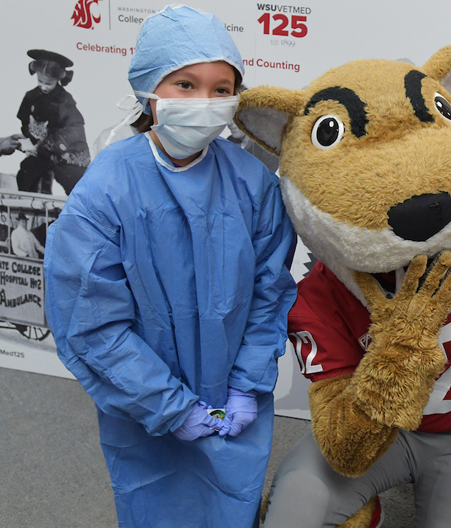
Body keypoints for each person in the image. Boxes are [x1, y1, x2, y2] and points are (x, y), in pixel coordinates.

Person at [43, 5, 297, 528]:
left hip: (234, 400)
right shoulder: (106, 189)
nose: (205, 102)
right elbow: (90, 323)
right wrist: (169, 407)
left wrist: (246, 385)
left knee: (233, 506)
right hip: (146, 415)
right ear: (148, 90)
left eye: (221, 88)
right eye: (185, 84)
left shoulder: (254, 183)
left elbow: (269, 292)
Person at [16, 49, 90, 195]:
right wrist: (29, 139)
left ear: (58, 80)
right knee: (26, 174)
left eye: (48, 83)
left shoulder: (65, 101)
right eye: (40, 81)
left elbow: (75, 129)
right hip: (40, 152)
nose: (43, 86)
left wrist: (51, 144)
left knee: (76, 182)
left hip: (65, 151)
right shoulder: (31, 97)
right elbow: (25, 121)